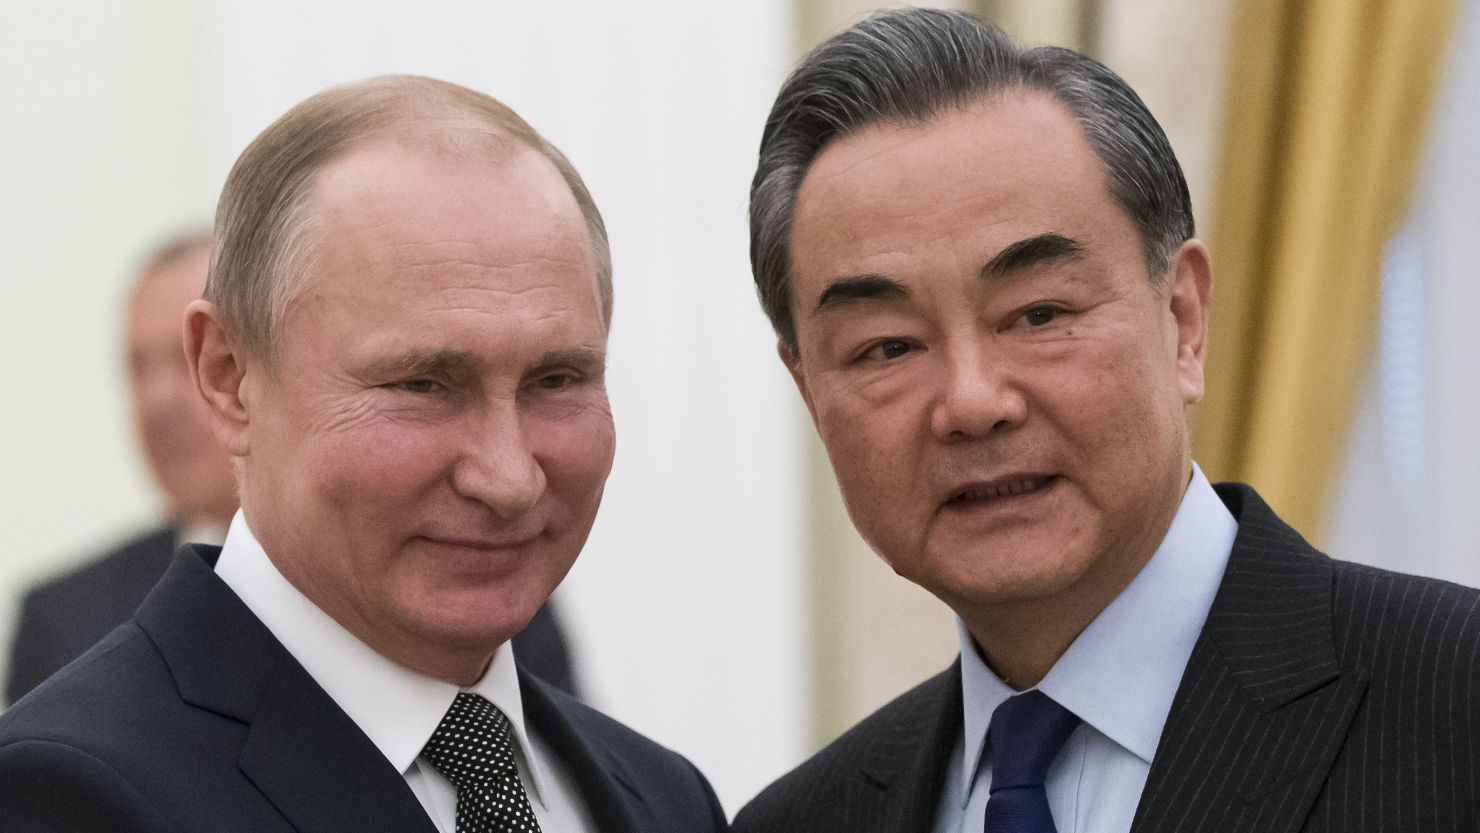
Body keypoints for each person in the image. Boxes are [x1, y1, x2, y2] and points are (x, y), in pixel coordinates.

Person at [734, 9, 1480, 833]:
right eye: (887, 347)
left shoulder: (1456, 701)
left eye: (1039, 313)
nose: (974, 402)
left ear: (1183, 318)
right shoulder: (800, 820)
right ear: (809, 390)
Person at [0, 75, 726, 833]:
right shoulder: (65, 797)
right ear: (228, 378)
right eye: (422, 383)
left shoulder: (666, 799)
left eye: (556, 379)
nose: (508, 477)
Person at [3, 235, 581, 704]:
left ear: (232, 374)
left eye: (186, 364)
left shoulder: (461, 573)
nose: (158, 402)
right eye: (136, 367)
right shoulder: (64, 612)